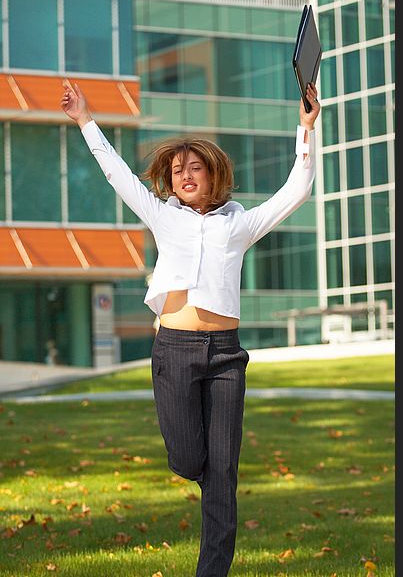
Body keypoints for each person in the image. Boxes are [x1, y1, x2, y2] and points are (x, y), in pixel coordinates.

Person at [60, 79, 320, 577]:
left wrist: (305, 130)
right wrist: (86, 120)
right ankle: (201, 473)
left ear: (213, 174)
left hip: (225, 355)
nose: (184, 176)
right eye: (177, 171)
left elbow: (296, 190)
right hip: (175, 351)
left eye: (193, 168)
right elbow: (118, 175)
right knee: (187, 460)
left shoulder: (238, 224)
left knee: (222, 473)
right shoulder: (162, 216)